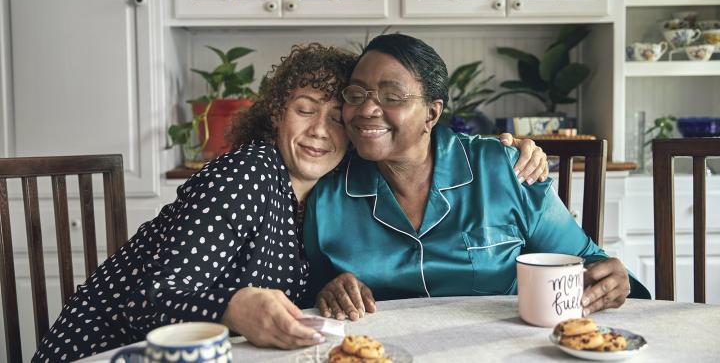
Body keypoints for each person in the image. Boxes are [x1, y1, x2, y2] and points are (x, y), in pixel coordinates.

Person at [33, 43, 548, 362]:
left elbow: (423, 149)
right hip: (104, 350)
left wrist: (504, 152)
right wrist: (233, 308)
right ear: (278, 113)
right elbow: (151, 296)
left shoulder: (325, 192)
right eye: (305, 110)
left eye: (337, 118)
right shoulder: (249, 172)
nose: (320, 131)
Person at [303, 34, 651, 322]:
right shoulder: (327, 190)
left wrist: (613, 280)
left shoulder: (505, 170)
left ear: (432, 113)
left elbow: (586, 262)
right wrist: (326, 290)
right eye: (355, 94)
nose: (366, 109)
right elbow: (307, 288)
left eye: (392, 97)